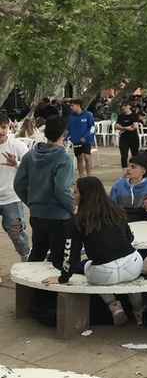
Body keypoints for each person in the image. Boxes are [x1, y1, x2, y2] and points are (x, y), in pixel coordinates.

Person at [42, 177, 145, 326]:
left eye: (75, 191)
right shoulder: (116, 210)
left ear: (85, 195)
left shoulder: (77, 220)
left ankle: (113, 305)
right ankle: (139, 311)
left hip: (104, 273)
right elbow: (129, 238)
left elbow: (72, 254)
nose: (72, 194)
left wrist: (62, 277)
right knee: (130, 278)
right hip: (133, 264)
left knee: (87, 266)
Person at [14, 115, 76, 269]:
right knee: (58, 256)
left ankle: (29, 288)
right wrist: (72, 207)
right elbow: (61, 188)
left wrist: (32, 201)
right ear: (64, 134)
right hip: (59, 216)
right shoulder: (64, 159)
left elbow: (18, 184)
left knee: (37, 252)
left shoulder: (29, 156)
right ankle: (50, 291)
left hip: (37, 213)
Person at [0, 114, 31, 262]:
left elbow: (31, 168)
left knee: (17, 234)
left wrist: (16, 164)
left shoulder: (18, 146)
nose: (1, 131)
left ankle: (26, 258)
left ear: (8, 127)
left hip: (11, 197)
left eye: (3, 127)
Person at [66, 99, 96, 178]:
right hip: (76, 140)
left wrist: (86, 136)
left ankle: (89, 175)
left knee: (87, 157)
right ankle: (81, 176)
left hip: (86, 140)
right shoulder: (71, 117)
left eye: (72, 105)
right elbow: (68, 129)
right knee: (79, 158)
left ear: (78, 105)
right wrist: (66, 138)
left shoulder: (88, 115)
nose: (71, 107)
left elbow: (92, 127)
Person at [115, 101, 140, 169]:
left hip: (133, 138)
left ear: (129, 106)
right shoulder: (121, 116)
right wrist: (125, 128)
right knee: (124, 155)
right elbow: (116, 126)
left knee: (135, 155)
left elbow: (135, 126)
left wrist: (123, 130)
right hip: (124, 139)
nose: (123, 107)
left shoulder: (134, 115)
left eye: (125, 106)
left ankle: (135, 169)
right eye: (122, 106)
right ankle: (125, 171)